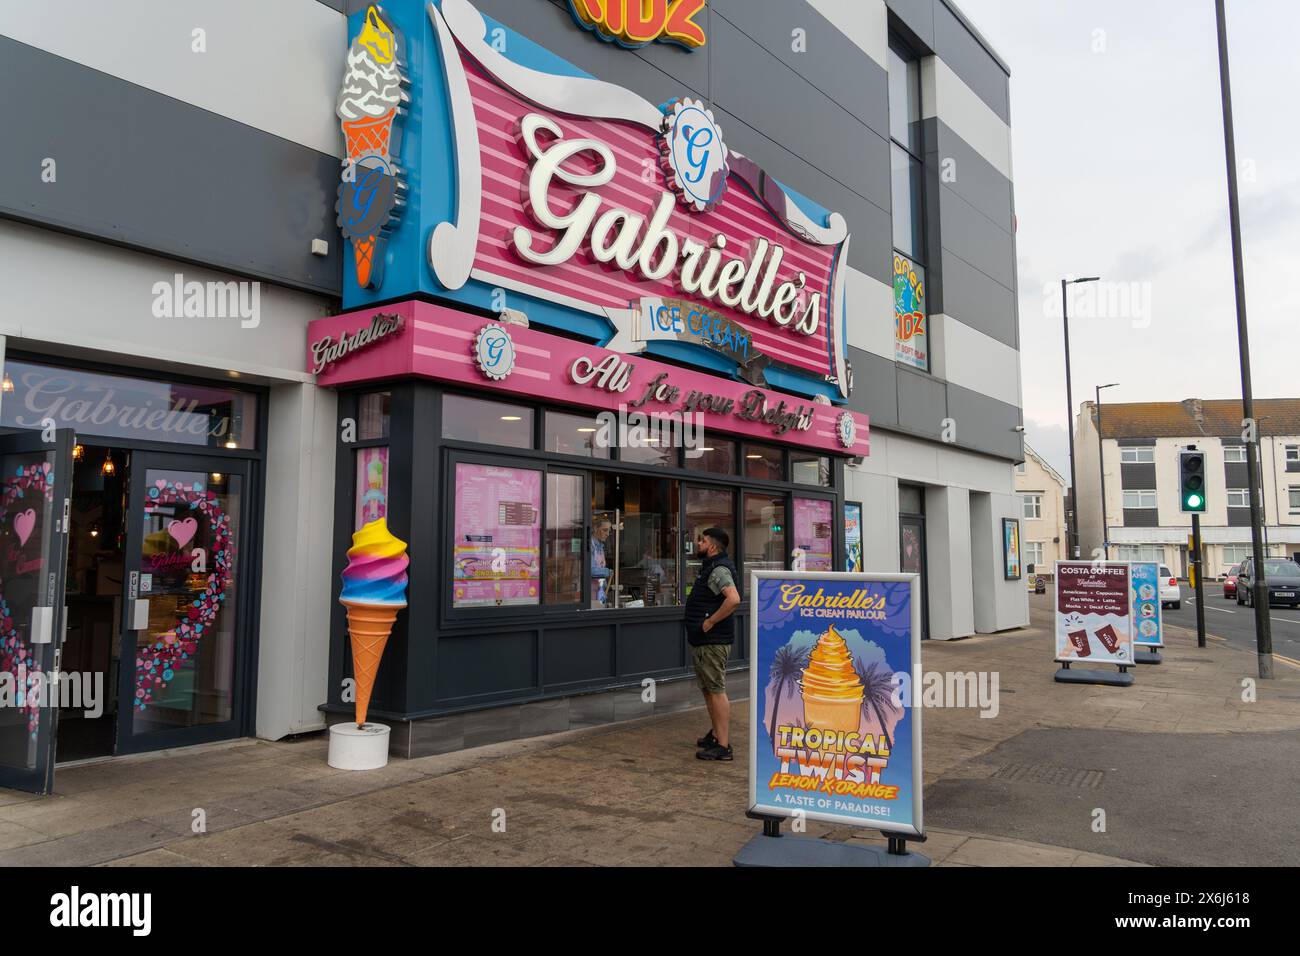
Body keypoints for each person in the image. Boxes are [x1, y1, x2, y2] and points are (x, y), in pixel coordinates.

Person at [685, 527, 740, 761]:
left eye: (702, 540)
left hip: (712, 641)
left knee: (716, 690)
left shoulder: (718, 570)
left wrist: (709, 622)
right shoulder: (710, 568)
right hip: (704, 641)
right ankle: (716, 734)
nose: (698, 543)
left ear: (713, 547)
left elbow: (734, 598)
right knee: (708, 689)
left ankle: (724, 746)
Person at [590, 518, 612, 605]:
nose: (607, 534)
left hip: (599, 590)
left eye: (608, 531)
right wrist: (608, 572)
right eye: (605, 530)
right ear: (595, 528)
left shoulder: (600, 546)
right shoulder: (590, 546)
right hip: (589, 591)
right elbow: (591, 570)